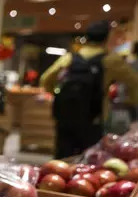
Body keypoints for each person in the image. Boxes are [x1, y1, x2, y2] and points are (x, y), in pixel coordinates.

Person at [41, 20, 138, 159]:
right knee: (90, 158)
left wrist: (56, 93)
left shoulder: (70, 58)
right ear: (107, 38)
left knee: (62, 158)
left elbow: (45, 79)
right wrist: (131, 103)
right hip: (93, 119)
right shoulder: (110, 60)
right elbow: (134, 82)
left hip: (66, 117)